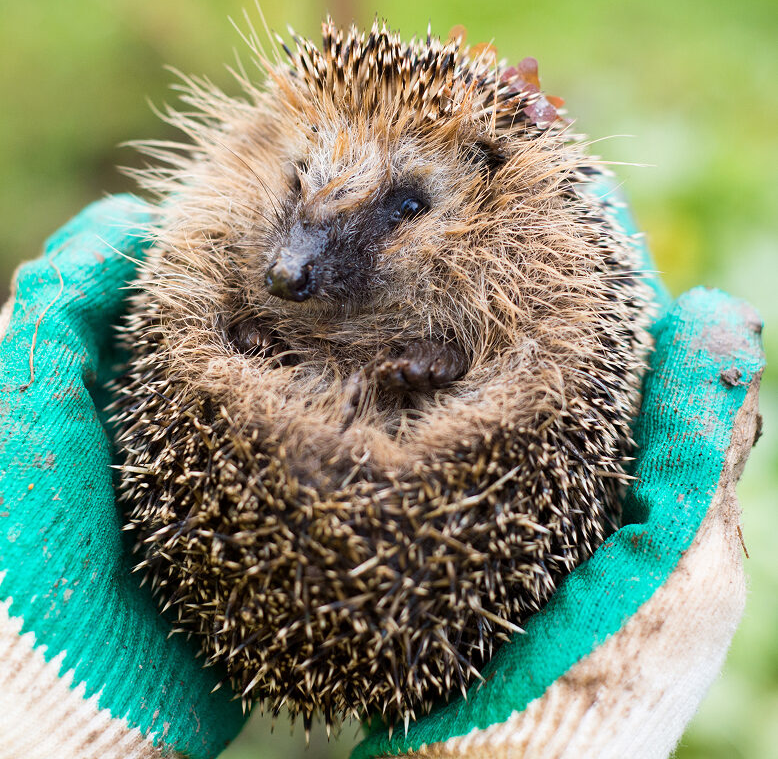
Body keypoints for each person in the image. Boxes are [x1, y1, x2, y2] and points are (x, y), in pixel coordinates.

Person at [0, 194, 764, 759]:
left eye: (397, 203)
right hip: (301, 430)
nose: (294, 259)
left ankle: (337, 370)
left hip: (429, 473)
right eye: (304, 184)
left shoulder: (527, 266)